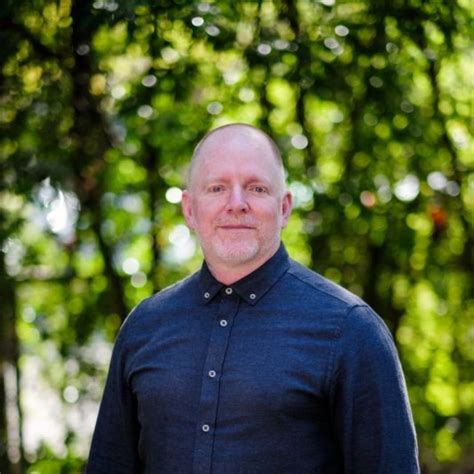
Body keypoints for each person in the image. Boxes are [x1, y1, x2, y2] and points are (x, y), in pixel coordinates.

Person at [86, 123, 419, 473]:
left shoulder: (350, 330)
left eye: (256, 188)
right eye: (217, 188)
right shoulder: (144, 327)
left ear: (284, 208)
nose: (236, 204)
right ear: (189, 209)